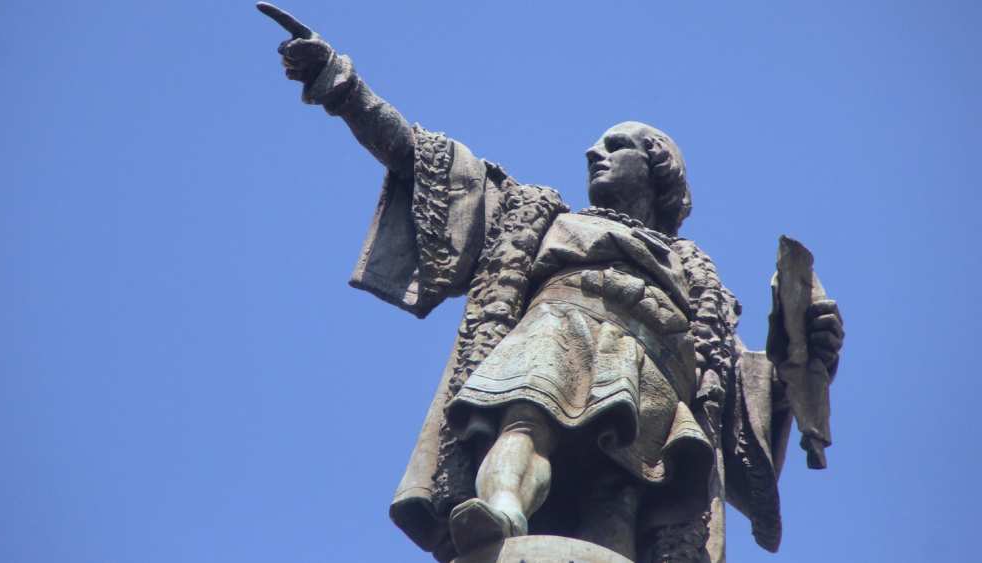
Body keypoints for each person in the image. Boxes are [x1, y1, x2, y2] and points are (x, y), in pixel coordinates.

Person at [256, 4, 845, 562]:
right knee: (523, 420)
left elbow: (737, 404)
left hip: (658, 367)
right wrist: (341, 86)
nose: (594, 152)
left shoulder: (701, 281)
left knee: (622, 490)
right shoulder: (539, 216)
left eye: (616, 145)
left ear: (658, 164)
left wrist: (799, 350)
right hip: (559, 328)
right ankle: (499, 509)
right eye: (596, 144)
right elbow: (424, 159)